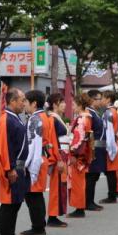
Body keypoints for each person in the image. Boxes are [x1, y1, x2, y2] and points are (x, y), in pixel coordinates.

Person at [0, 88, 30, 235]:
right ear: (12, 101)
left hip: (19, 166)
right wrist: (9, 169)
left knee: (16, 202)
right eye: (22, 100)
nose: (24, 103)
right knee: (8, 203)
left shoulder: (15, 118)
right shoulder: (6, 119)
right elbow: (4, 146)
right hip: (11, 167)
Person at [20, 89, 52, 235]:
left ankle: (38, 227)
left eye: (26, 101)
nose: (24, 104)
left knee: (33, 195)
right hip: (41, 157)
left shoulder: (35, 119)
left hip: (36, 159)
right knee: (36, 194)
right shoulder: (44, 116)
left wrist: (27, 164)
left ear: (33, 103)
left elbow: (33, 144)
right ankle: (39, 226)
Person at [45, 92, 70, 227]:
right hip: (58, 155)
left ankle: (56, 214)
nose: (65, 104)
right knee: (56, 186)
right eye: (62, 102)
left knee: (61, 185)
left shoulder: (56, 118)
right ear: (55, 104)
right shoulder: (52, 119)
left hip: (63, 154)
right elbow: (52, 141)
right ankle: (53, 216)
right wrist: (58, 158)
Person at [68, 97, 92, 219]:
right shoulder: (87, 118)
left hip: (79, 154)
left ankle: (79, 208)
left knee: (77, 181)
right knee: (80, 181)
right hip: (84, 153)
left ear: (80, 105)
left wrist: (73, 153)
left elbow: (78, 138)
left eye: (74, 104)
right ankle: (79, 206)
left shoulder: (81, 119)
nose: (73, 107)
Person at [85, 91, 108, 212]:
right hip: (94, 149)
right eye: (99, 99)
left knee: (95, 175)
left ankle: (90, 200)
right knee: (91, 176)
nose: (101, 101)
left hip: (99, 149)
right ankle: (88, 202)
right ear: (93, 100)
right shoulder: (89, 113)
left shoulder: (95, 113)